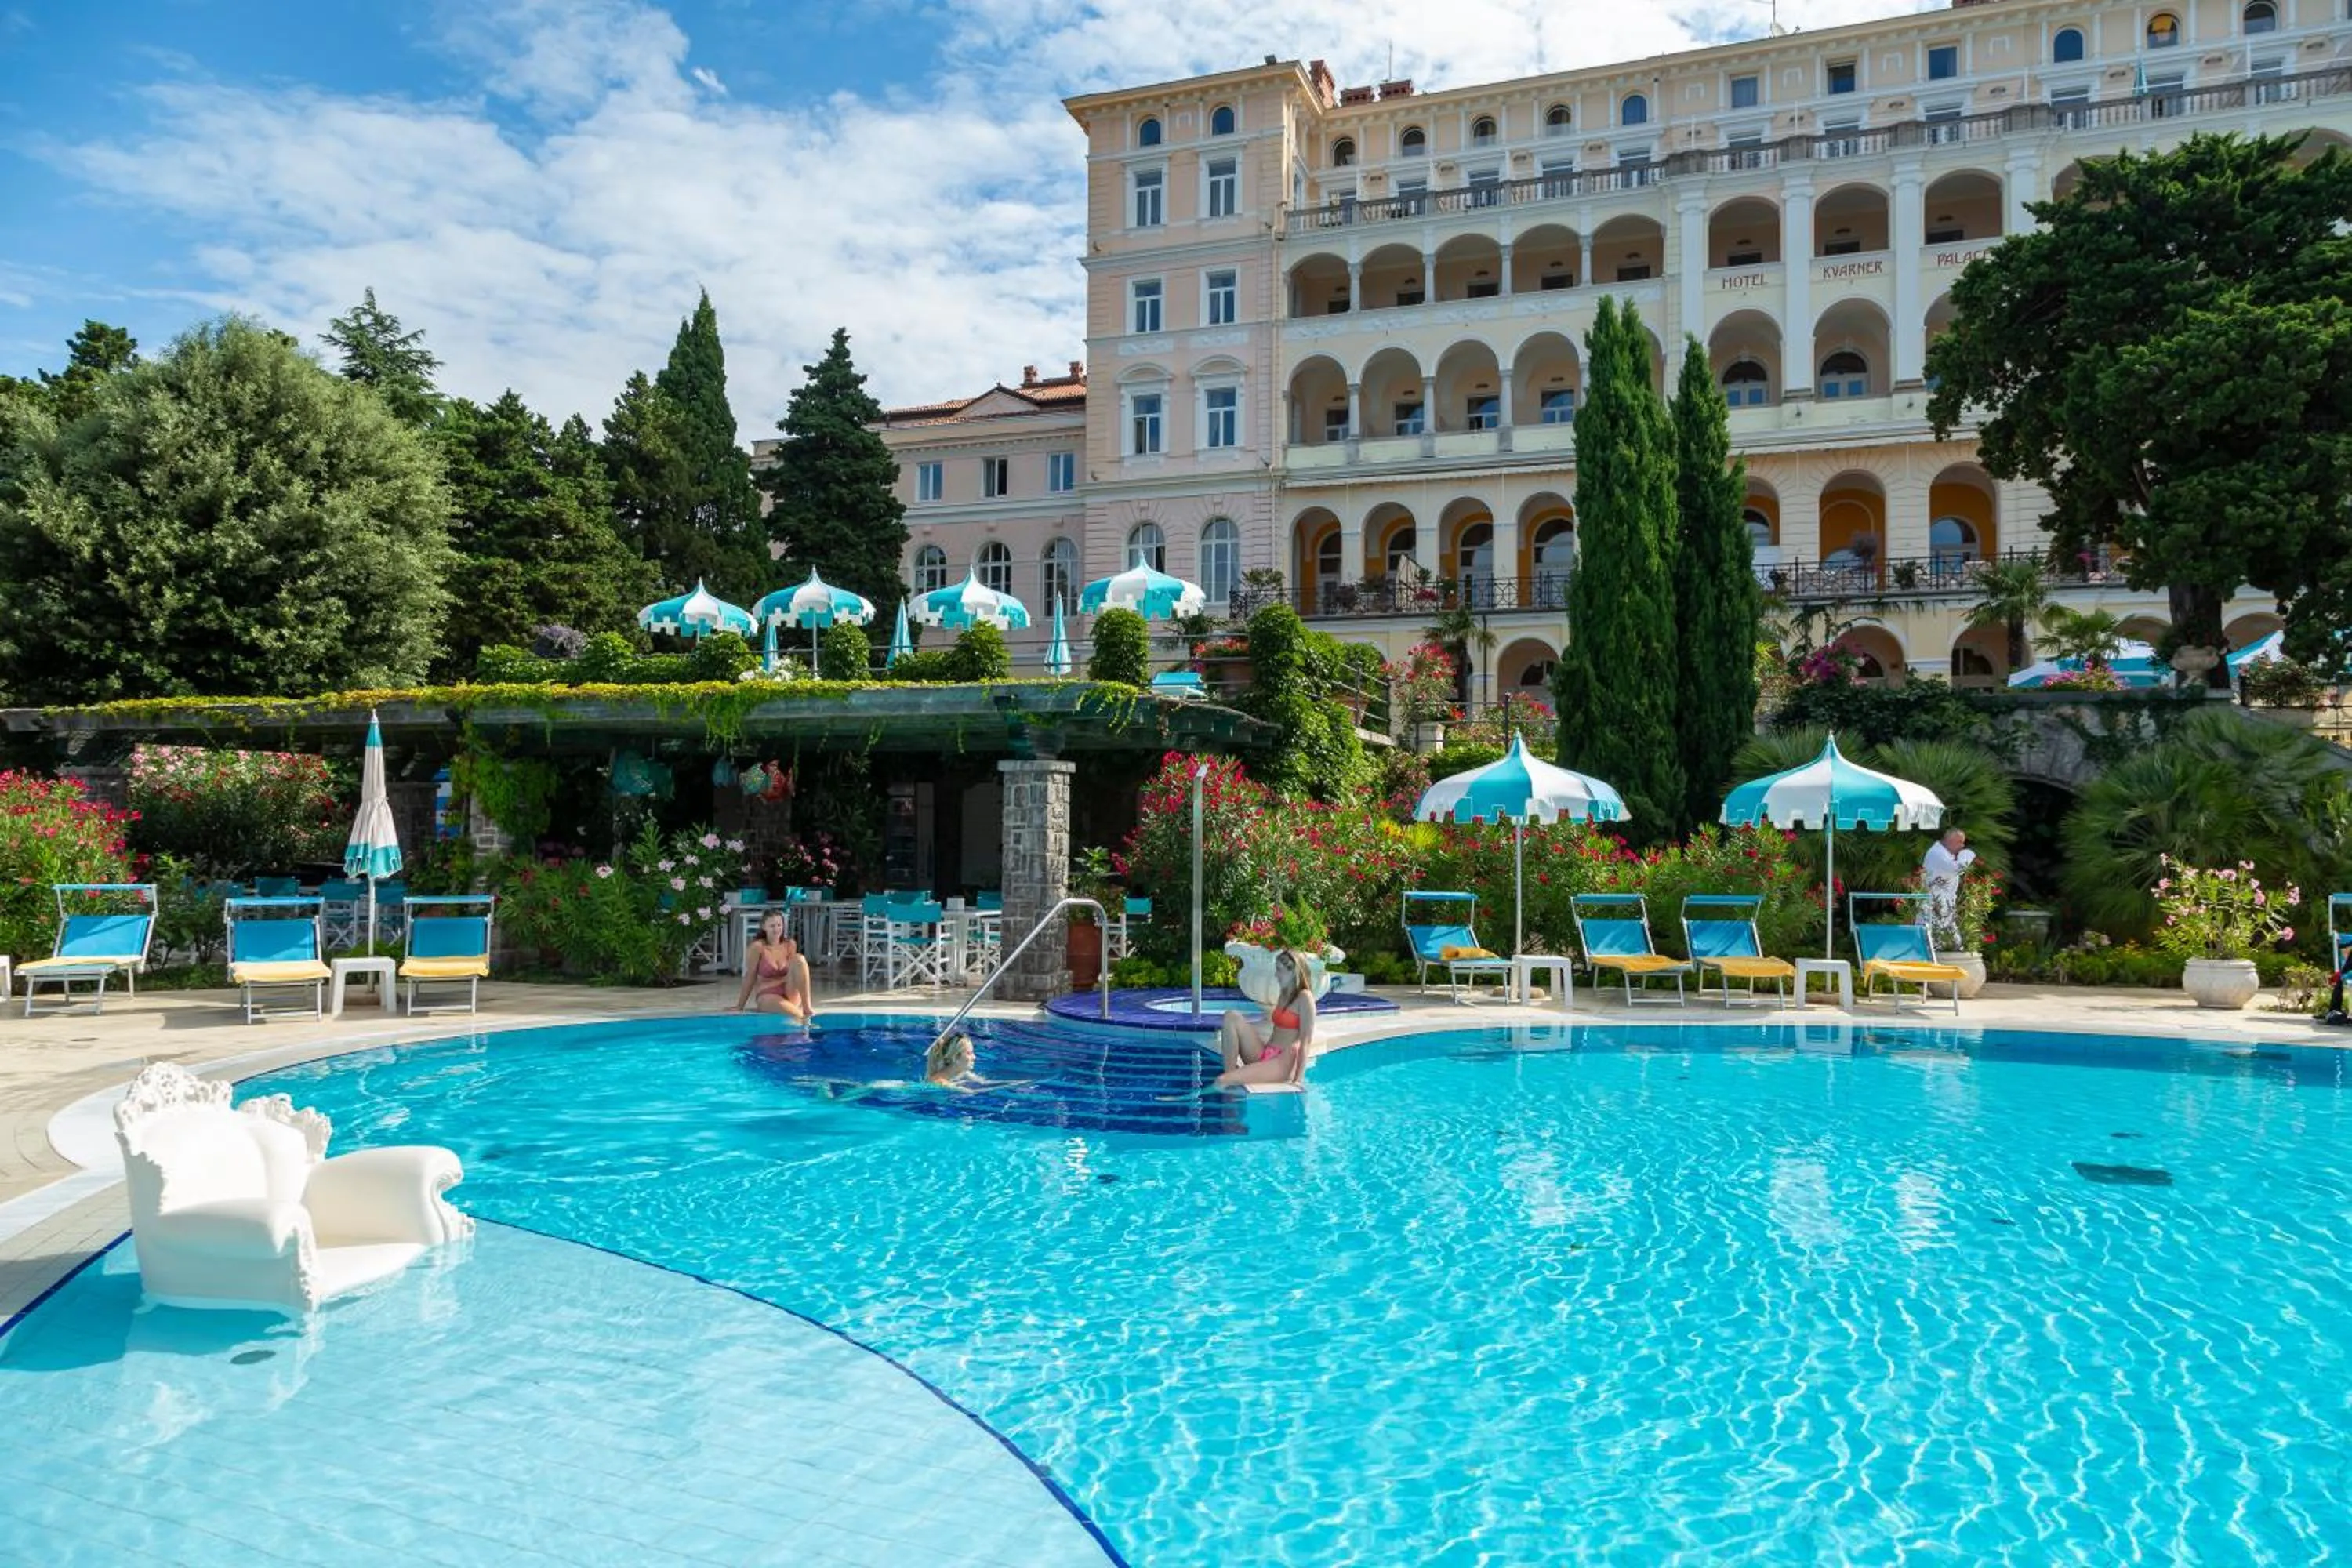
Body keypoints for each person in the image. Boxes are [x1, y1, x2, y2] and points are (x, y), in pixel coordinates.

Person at [1215, 949, 1315, 1089]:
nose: (1276, 975)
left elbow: (1306, 1041)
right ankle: (1230, 1075)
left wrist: (1298, 1080)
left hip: (1282, 1063)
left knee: (1222, 1081)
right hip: (1266, 1052)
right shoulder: (1284, 994)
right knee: (1231, 1016)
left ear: (1293, 972)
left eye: (1279, 970)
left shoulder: (1305, 997)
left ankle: (1228, 1082)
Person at [734, 913, 812, 1022]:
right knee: (797, 1016)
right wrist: (740, 1006)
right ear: (764, 927)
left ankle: (807, 1008)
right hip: (768, 994)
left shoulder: (790, 944)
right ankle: (806, 1027)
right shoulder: (758, 947)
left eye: (779, 925)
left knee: (799, 959)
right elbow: (750, 976)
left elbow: (795, 971)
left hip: (788, 991)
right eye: (772, 926)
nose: (776, 929)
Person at [1921, 827, 1977, 950]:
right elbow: (1957, 868)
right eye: (1960, 842)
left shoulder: (1944, 854)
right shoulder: (1937, 854)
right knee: (1936, 945)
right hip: (1934, 906)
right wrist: (1967, 855)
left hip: (1943, 907)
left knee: (1952, 945)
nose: (1962, 846)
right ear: (1950, 841)